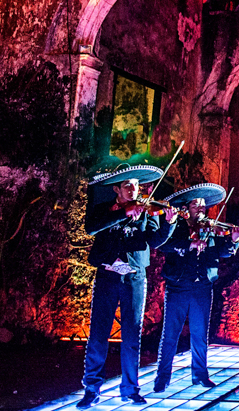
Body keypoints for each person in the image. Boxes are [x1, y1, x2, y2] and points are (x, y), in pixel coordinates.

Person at [78, 165, 178, 409]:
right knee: (98, 334)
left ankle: (130, 389)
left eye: (136, 185)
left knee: (132, 335)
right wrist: (123, 213)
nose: (134, 190)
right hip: (107, 276)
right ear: (116, 189)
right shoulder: (103, 210)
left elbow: (155, 240)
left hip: (134, 278)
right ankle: (91, 388)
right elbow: (91, 228)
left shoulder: (146, 211)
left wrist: (169, 224)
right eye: (127, 186)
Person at [153, 183, 239, 393]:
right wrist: (188, 245)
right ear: (187, 208)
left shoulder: (210, 227)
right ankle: (162, 377)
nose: (201, 209)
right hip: (178, 285)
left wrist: (234, 241)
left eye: (203, 206)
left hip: (202, 285)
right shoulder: (175, 224)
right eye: (195, 205)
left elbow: (223, 252)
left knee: (200, 334)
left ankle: (200, 375)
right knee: (170, 333)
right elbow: (162, 244)